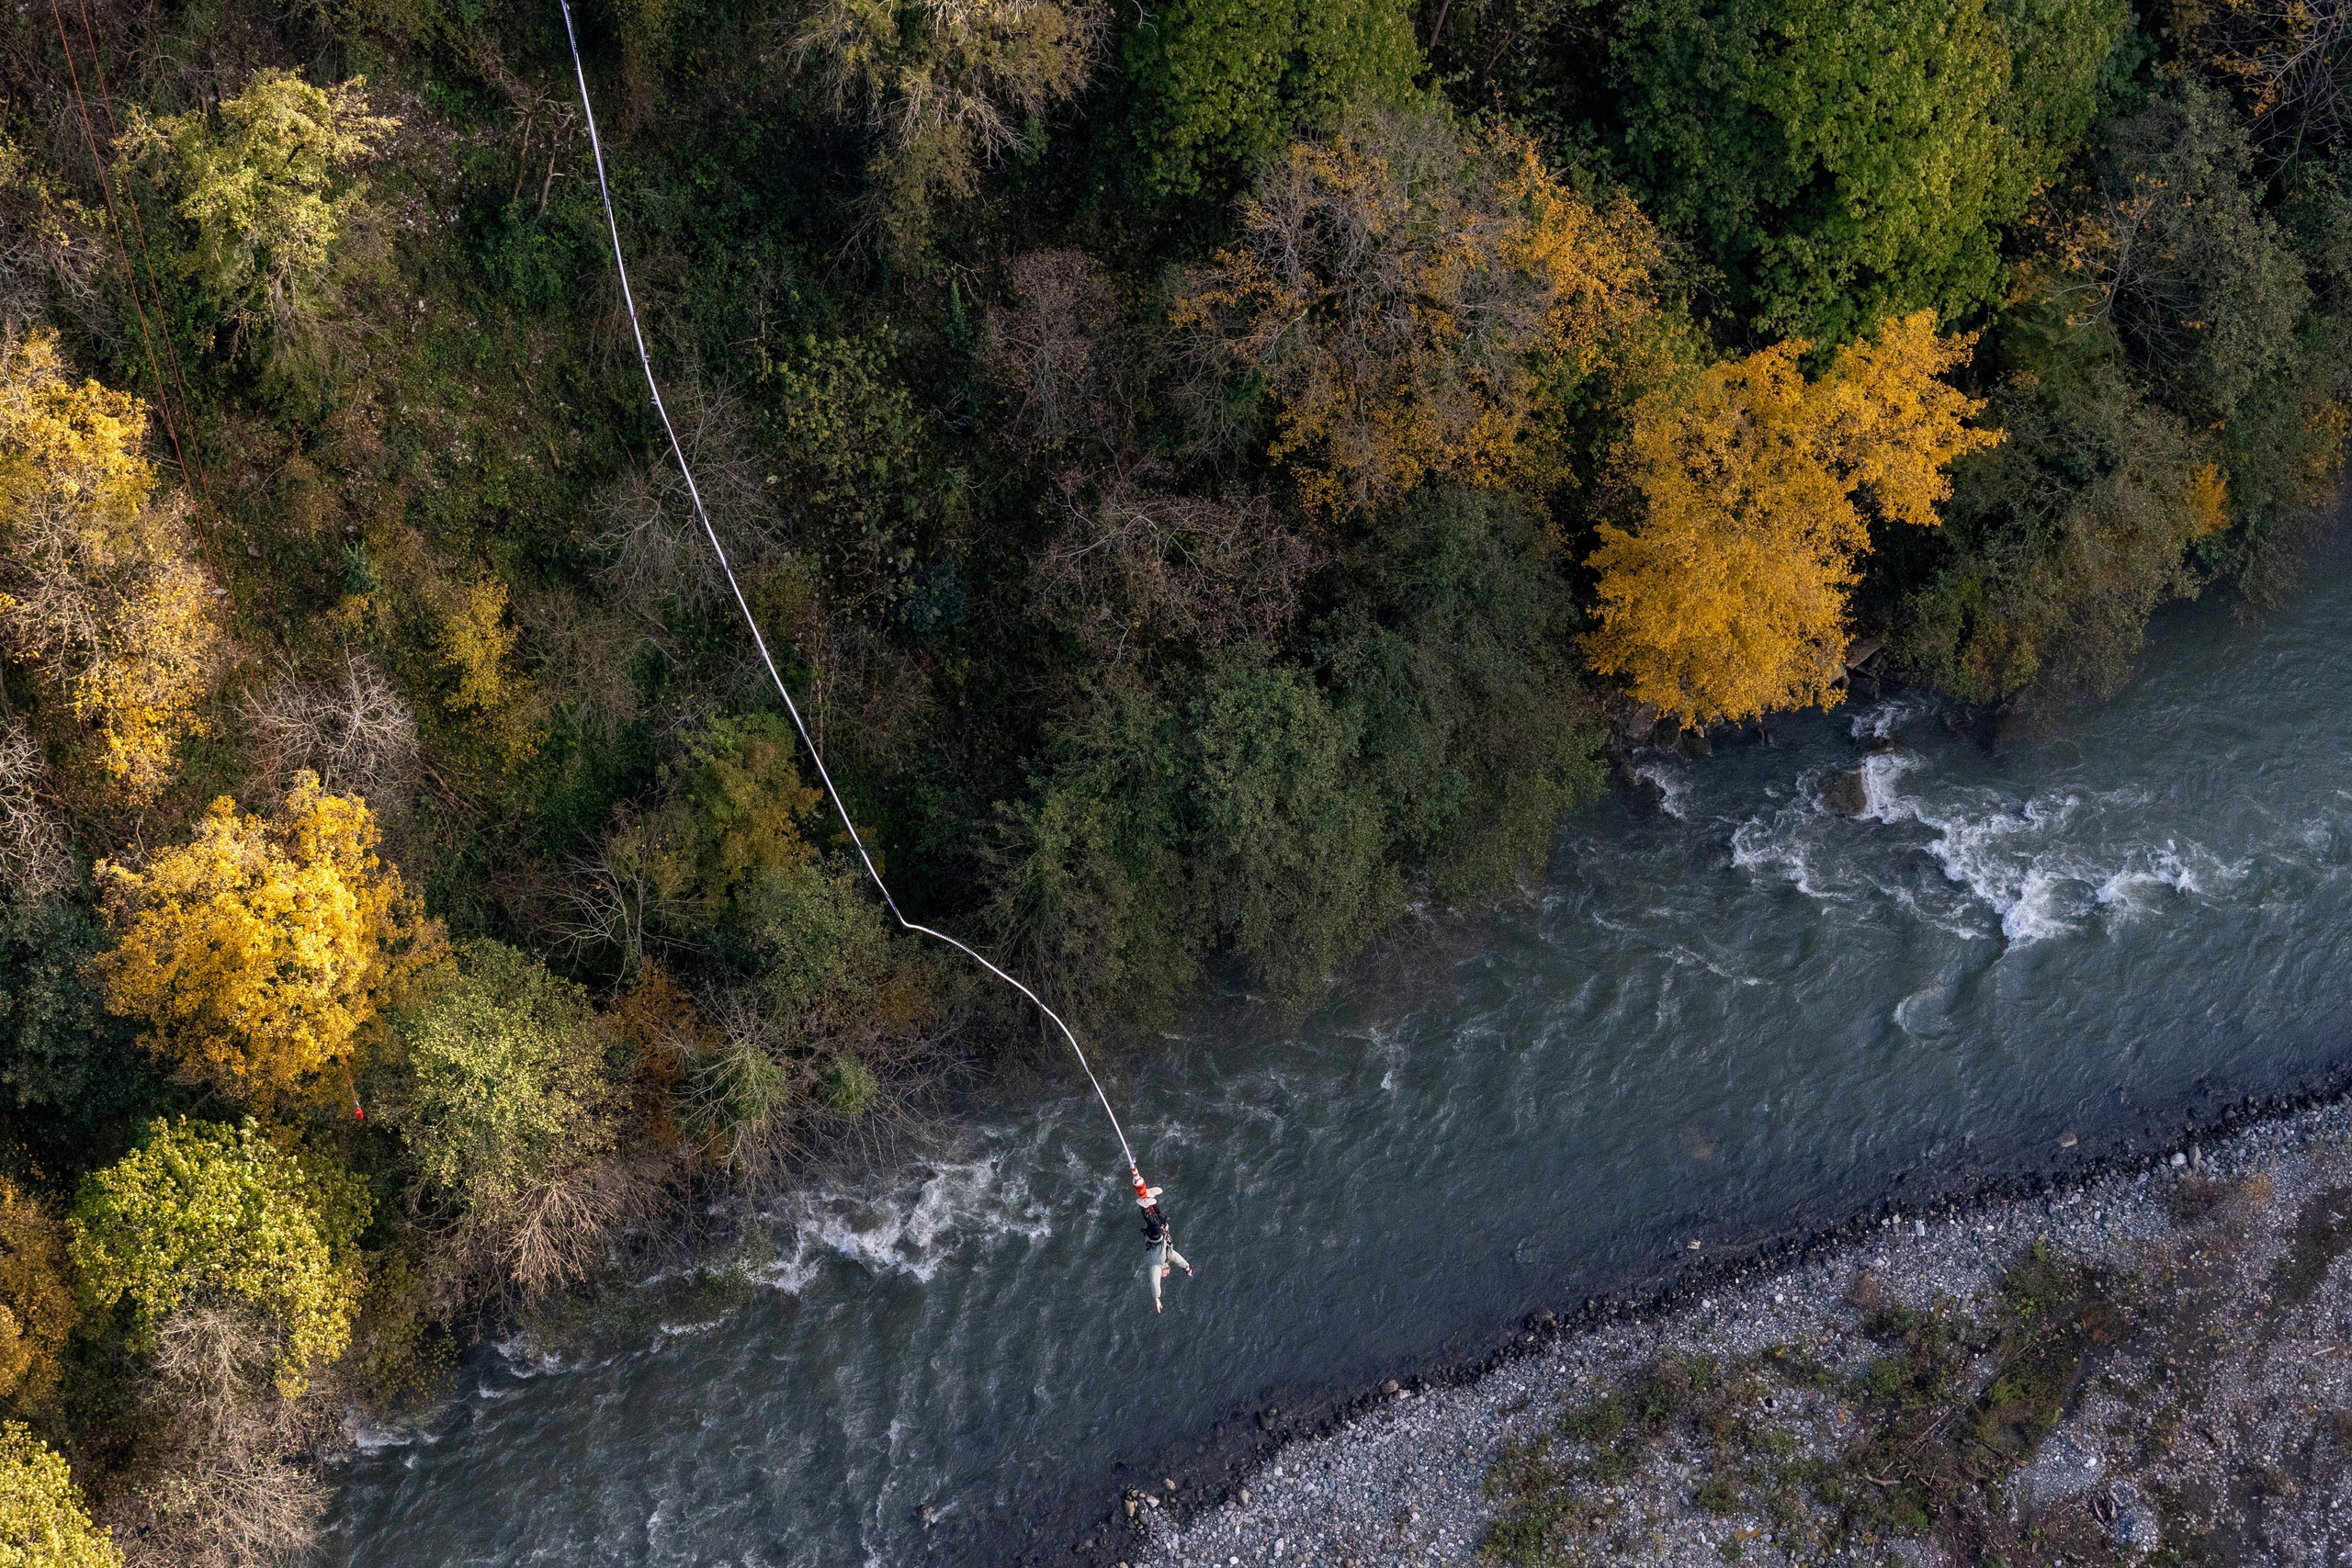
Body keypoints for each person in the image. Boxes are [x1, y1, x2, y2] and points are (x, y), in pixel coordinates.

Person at [1137, 1184, 1193, 1313]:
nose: (1167, 1274)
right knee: (1160, 1219)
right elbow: (1178, 1259)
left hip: (1155, 1238)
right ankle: (1150, 1197)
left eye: (1164, 1276)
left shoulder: (1156, 1266)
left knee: (1155, 1225)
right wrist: (1187, 1267)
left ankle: (1142, 1206)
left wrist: (1157, 1297)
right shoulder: (1168, 1257)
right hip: (1162, 1235)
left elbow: (1154, 1281)